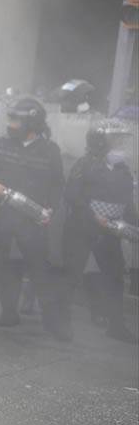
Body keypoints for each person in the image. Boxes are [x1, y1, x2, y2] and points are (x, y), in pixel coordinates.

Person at [0, 97, 69, 340]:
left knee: (40, 271)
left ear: (32, 123)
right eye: (11, 118)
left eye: (17, 120)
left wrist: (50, 209)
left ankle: (53, 324)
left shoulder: (50, 151)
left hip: (31, 220)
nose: (11, 124)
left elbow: (58, 185)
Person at [61, 118, 138, 343]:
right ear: (99, 141)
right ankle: (61, 322)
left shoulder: (123, 170)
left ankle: (116, 325)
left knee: (115, 277)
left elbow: (127, 205)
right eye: (115, 140)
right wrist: (94, 217)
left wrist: (133, 223)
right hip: (82, 227)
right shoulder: (84, 164)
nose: (120, 145)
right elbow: (72, 195)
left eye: (122, 140)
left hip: (110, 231)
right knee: (70, 275)